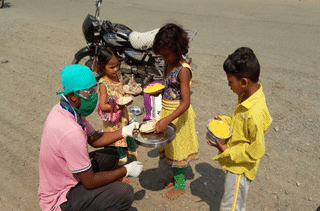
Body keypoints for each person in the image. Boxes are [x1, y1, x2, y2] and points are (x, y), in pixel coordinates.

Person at [38, 64, 143, 211]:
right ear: (73, 96)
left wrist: (126, 131)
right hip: (60, 198)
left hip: (69, 176)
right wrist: (126, 170)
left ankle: (106, 192)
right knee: (125, 193)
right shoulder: (70, 131)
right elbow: (90, 182)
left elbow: (95, 139)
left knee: (112, 155)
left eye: (94, 91)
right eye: (89, 92)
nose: (94, 97)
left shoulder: (66, 109)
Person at [206, 47, 272, 211]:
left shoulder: (255, 113)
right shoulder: (247, 96)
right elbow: (239, 123)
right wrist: (226, 121)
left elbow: (256, 151)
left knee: (231, 206)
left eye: (230, 81)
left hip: (240, 169)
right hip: (235, 161)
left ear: (243, 82)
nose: (229, 85)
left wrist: (227, 151)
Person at [153, 23, 200, 201]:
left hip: (178, 116)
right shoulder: (169, 65)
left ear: (177, 49)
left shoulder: (183, 71)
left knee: (178, 150)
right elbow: (169, 88)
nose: (164, 58)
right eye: (162, 55)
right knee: (171, 148)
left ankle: (180, 185)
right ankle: (176, 178)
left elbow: (186, 102)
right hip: (167, 112)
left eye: (166, 54)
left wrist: (167, 120)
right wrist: (159, 91)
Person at [95, 47, 138, 183]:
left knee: (124, 146)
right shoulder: (103, 84)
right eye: (111, 67)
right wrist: (117, 106)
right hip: (113, 123)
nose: (115, 69)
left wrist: (129, 93)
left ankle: (121, 171)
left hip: (124, 118)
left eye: (117, 66)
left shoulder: (119, 77)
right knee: (117, 149)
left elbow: (124, 91)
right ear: (102, 67)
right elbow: (103, 106)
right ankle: (118, 175)